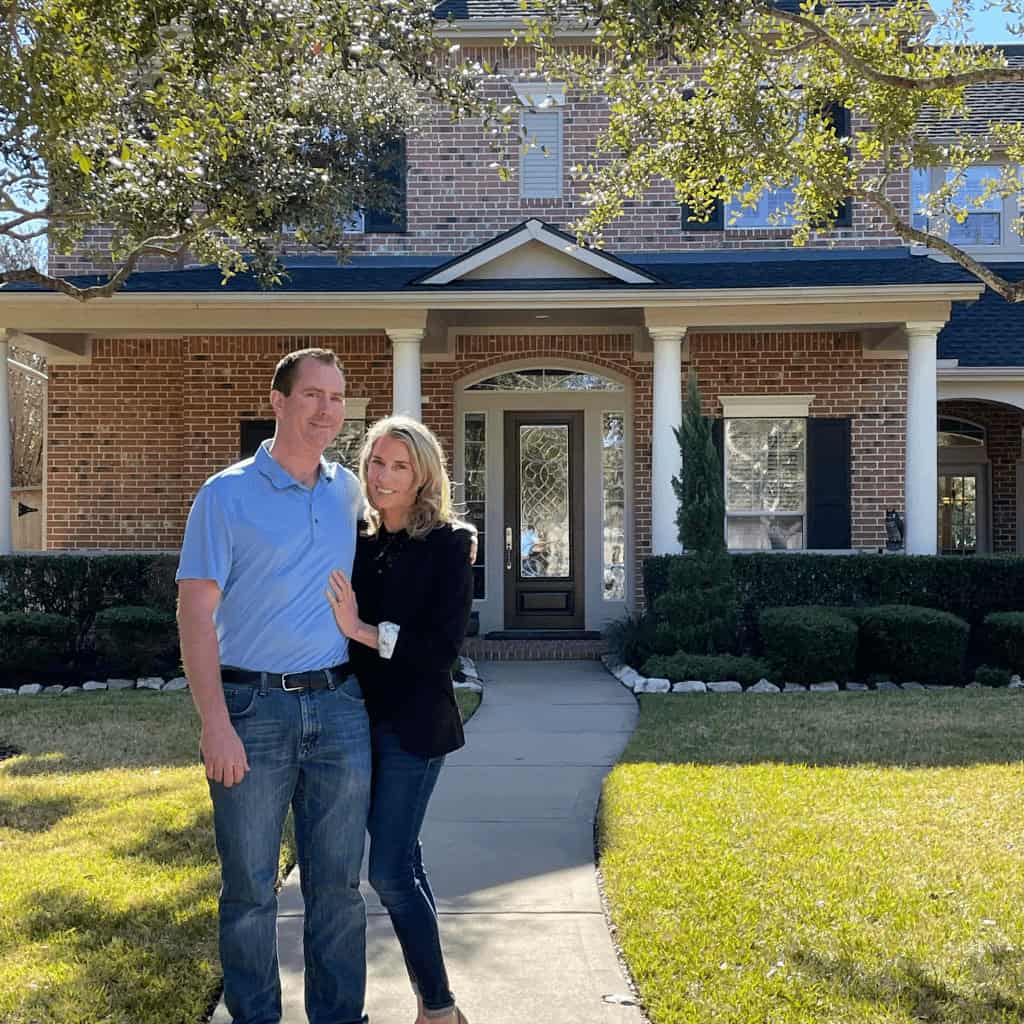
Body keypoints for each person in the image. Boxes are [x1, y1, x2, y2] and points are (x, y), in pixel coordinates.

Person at [176, 348, 370, 1024]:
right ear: (279, 402)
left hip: (340, 706)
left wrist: (456, 540)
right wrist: (214, 723)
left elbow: (412, 515)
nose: (327, 410)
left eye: (338, 398)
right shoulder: (225, 494)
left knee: (340, 889)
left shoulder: (348, 490)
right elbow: (196, 612)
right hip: (251, 708)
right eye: (313, 395)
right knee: (251, 889)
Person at [326, 415, 474, 1024]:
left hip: (414, 727)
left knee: (387, 869)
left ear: (423, 476)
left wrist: (360, 630)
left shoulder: (447, 543)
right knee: (402, 863)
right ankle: (435, 1004)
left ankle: (439, 1010)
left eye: (399, 466)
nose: (383, 477)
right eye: (376, 463)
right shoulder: (356, 538)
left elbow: (441, 651)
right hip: (354, 719)